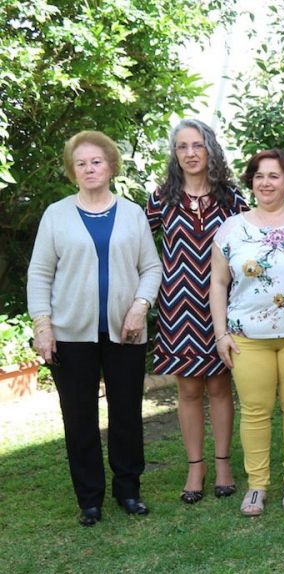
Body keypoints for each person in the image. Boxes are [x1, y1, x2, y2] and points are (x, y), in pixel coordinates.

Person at [27, 130, 162, 526]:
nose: (89, 169)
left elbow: (151, 268)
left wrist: (140, 306)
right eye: (81, 163)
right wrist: (43, 325)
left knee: (127, 413)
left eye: (96, 161)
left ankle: (129, 490)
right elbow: (39, 274)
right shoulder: (56, 215)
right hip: (70, 335)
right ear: (73, 171)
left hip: (126, 332)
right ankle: (89, 499)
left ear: (111, 166)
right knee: (79, 417)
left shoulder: (132, 214)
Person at [209, 149, 284, 517]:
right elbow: (218, 283)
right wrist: (221, 334)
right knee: (255, 412)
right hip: (247, 338)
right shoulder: (231, 228)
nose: (266, 183)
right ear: (251, 182)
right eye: (259, 176)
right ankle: (257, 485)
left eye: (274, 176)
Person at [146, 118, 248, 504]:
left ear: (210, 150)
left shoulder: (231, 198)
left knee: (220, 386)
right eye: (182, 147)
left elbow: (250, 244)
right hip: (178, 308)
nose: (190, 153)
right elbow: (136, 245)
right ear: (175, 154)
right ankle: (195, 467)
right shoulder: (161, 198)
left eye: (197, 145)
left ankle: (223, 465)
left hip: (221, 307)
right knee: (188, 389)